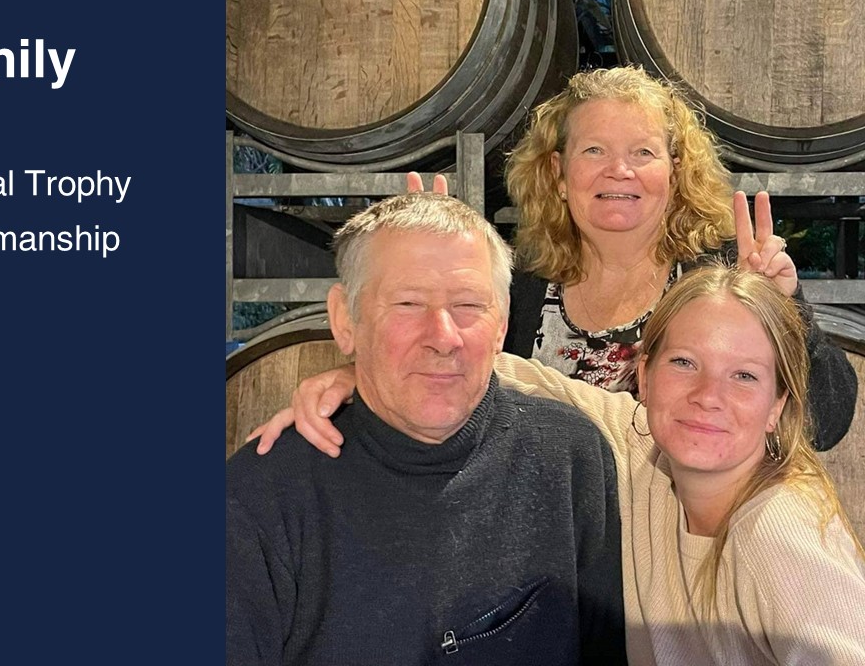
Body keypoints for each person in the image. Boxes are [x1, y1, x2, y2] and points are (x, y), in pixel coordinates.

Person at [255, 66, 855, 455]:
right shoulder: (518, 284)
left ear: (675, 172)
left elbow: (825, 424)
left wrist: (785, 313)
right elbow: (453, 380)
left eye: (642, 152)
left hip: (678, 553)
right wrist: (358, 382)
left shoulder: (725, 278)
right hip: (549, 554)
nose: (618, 170)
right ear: (559, 174)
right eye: (594, 150)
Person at [226, 193, 627, 665]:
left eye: (468, 304)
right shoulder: (257, 499)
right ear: (344, 320)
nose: (443, 337)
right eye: (408, 303)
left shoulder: (569, 458)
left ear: (501, 324)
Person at [495, 265, 865, 664]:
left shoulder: (778, 533)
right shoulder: (643, 448)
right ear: (645, 377)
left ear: (777, 406)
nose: (708, 396)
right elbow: (512, 376)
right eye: (684, 363)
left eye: (744, 375)